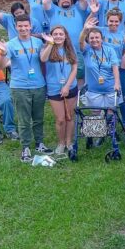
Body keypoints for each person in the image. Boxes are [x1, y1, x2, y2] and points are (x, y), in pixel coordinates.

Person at [0, 15, 50, 162]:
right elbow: (0, 66)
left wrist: (50, 45)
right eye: (20, 26)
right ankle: (25, 147)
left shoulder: (38, 42)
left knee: (38, 118)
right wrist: (2, 54)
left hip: (39, 85)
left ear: (30, 26)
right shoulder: (11, 45)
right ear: (16, 27)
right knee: (24, 119)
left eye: (26, 26)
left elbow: (44, 59)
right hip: (19, 87)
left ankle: (39, 143)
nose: (23, 28)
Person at [40, 26, 78, 156]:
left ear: (65, 36)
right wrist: (50, 43)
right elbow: (43, 59)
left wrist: (67, 86)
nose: (58, 36)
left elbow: (74, 68)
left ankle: (69, 142)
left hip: (70, 87)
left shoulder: (70, 49)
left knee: (69, 116)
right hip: (54, 88)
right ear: (51, 36)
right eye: (55, 34)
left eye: (61, 34)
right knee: (60, 118)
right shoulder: (47, 48)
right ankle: (61, 143)